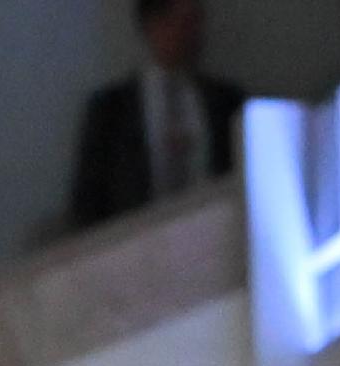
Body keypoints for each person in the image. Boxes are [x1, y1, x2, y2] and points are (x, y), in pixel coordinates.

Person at [69, 0, 247, 230]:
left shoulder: (227, 102)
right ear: (152, 25)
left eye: (194, 22)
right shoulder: (111, 110)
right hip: (136, 248)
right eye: (179, 22)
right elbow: (88, 201)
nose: (191, 34)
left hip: (214, 237)